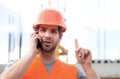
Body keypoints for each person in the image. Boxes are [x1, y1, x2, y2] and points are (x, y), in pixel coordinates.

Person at [0, 8, 100, 79]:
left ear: (60, 36)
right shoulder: (17, 66)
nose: (47, 35)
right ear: (36, 33)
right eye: (43, 30)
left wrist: (87, 67)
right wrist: (32, 52)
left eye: (53, 31)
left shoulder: (74, 72)